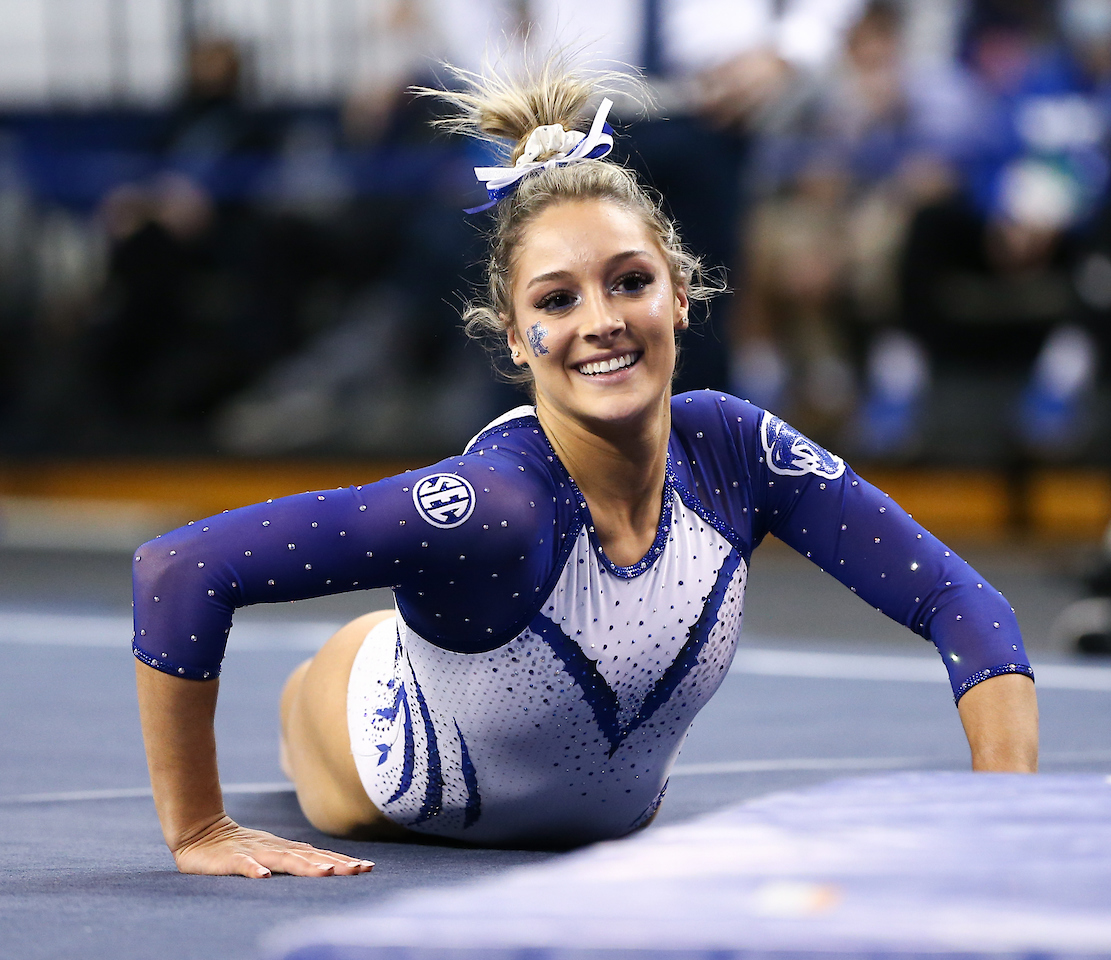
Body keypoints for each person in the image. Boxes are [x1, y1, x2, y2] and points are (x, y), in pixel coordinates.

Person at [132, 61, 1039, 878]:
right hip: (366, 741)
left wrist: (1007, 824)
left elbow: (964, 605)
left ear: (681, 296)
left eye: (629, 281)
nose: (600, 320)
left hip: (508, 703)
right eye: (557, 299)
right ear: (517, 338)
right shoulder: (498, 511)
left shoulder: (733, 456)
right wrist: (200, 830)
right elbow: (179, 568)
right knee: (353, 674)